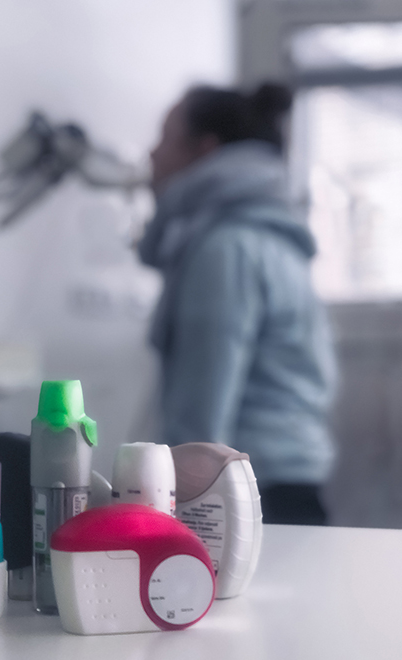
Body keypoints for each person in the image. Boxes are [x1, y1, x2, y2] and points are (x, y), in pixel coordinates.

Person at [138, 83, 336, 525]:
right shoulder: (269, 234)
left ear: (204, 150)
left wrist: (178, 509)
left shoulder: (225, 248)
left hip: (249, 490)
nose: (151, 153)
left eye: (164, 139)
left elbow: (204, 406)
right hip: (284, 478)